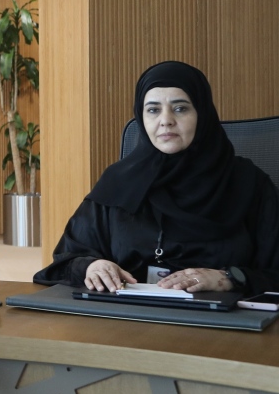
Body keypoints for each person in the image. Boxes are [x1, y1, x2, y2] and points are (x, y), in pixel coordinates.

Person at [34, 61, 279, 296]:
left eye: (180, 108)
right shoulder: (118, 182)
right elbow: (68, 258)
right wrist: (92, 266)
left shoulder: (249, 184)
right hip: (126, 314)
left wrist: (229, 278)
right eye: (153, 110)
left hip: (220, 316)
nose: (166, 120)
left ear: (202, 113)